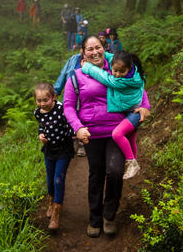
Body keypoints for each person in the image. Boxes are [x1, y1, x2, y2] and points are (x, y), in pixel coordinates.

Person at [63, 36, 151, 237]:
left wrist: (145, 108)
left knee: (114, 171)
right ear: (83, 53)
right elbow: (68, 106)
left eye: (98, 47)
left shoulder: (117, 68)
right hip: (91, 134)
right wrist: (77, 128)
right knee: (96, 174)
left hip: (117, 130)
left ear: (105, 49)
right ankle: (94, 218)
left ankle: (109, 215)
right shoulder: (76, 76)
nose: (94, 52)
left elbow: (138, 87)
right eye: (89, 49)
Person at [81, 51, 145, 179]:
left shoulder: (123, 81)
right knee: (131, 137)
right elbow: (112, 57)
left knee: (117, 134)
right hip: (131, 110)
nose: (117, 74)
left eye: (122, 71)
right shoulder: (133, 69)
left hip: (134, 113)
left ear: (129, 67)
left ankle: (131, 162)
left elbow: (103, 76)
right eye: (115, 70)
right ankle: (133, 162)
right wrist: (100, 51)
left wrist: (87, 67)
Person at [34, 82, 74, 230]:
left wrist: (76, 133)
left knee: (58, 179)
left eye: (46, 100)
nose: (42, 104)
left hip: (64, 149)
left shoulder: (61, 109)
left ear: (53, 97)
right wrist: (41, 135)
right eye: (39, 100)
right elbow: (41, 126)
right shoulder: (38, 113)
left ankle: (57, 213)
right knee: (50, 179)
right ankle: (51, 202)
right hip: (49, 150)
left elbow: (70, 122)